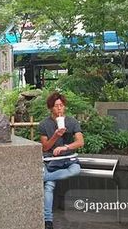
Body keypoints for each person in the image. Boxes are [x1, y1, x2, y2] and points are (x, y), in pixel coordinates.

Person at [39, 92, 84, 229]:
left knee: (76, 169)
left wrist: (65, 147)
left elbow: (80, 142)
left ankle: (45, 176)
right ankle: (48, 221)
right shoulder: (44, 124)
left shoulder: (71, 122)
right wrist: (55, 135)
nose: (59, 108)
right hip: (52, 160)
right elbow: (45, 147)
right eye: (56, 106)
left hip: (68, 159)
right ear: (50, 108)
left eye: (61, 105)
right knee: (49, 186)